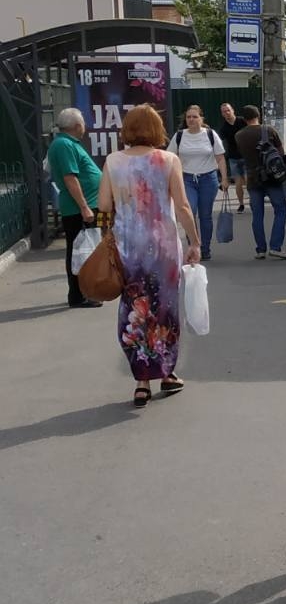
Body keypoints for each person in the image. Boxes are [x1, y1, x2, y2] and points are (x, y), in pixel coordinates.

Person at [97, 105, 202, 408]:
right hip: (164, 247)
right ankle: (167, 373)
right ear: (157, 129)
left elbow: (104, 203)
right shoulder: (168, 160)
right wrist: (195, 241)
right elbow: (182, 206)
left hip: (128, 247)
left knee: (134, 309)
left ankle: (142, 381)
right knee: (165, 310)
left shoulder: (113, 161)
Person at [46, 107, 103, 308]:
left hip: (86, 206)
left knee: (88, 250)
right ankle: (78, 295)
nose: (85, 127)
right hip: (79, 209)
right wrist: (84, 207)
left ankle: (86, 291)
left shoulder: (67, 143)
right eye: (83, 123)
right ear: (77, 125)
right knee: (80, 252)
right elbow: (70, 178)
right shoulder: (63, 145)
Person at [167, 105, 229, 261]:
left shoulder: (210, 134)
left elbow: (220, 157)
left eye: (195, 117)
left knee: (205, 215)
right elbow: (170, 157)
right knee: (190, 211)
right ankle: (193, 245)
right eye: (188, 117)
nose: (191, 120)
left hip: (208, 178)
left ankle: (205, 248)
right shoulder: (180, 136)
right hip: (187, 179)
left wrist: (225, 178)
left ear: (201, 119)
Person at [235, 105, 286, 259]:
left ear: (244, 118)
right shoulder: (269, 131)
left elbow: (242, 155)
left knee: (257, 215)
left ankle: (260, 249)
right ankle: (275, 246)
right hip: (271, 178)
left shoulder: (239, 135)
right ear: (258, 115)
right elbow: (280, 152)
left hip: (253, 178)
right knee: (280, 210)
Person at [217, 103, 248, 213]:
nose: (227, 113)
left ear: (233, 110)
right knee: (238, 183)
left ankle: (254, 201)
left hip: (246, 156)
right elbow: (219, 142)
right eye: (224, 111)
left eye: (228, 110)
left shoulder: (242, 121)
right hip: (233, 158)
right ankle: (241, 204)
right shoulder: (224, 127)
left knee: (248, 180)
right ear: (222, 114)